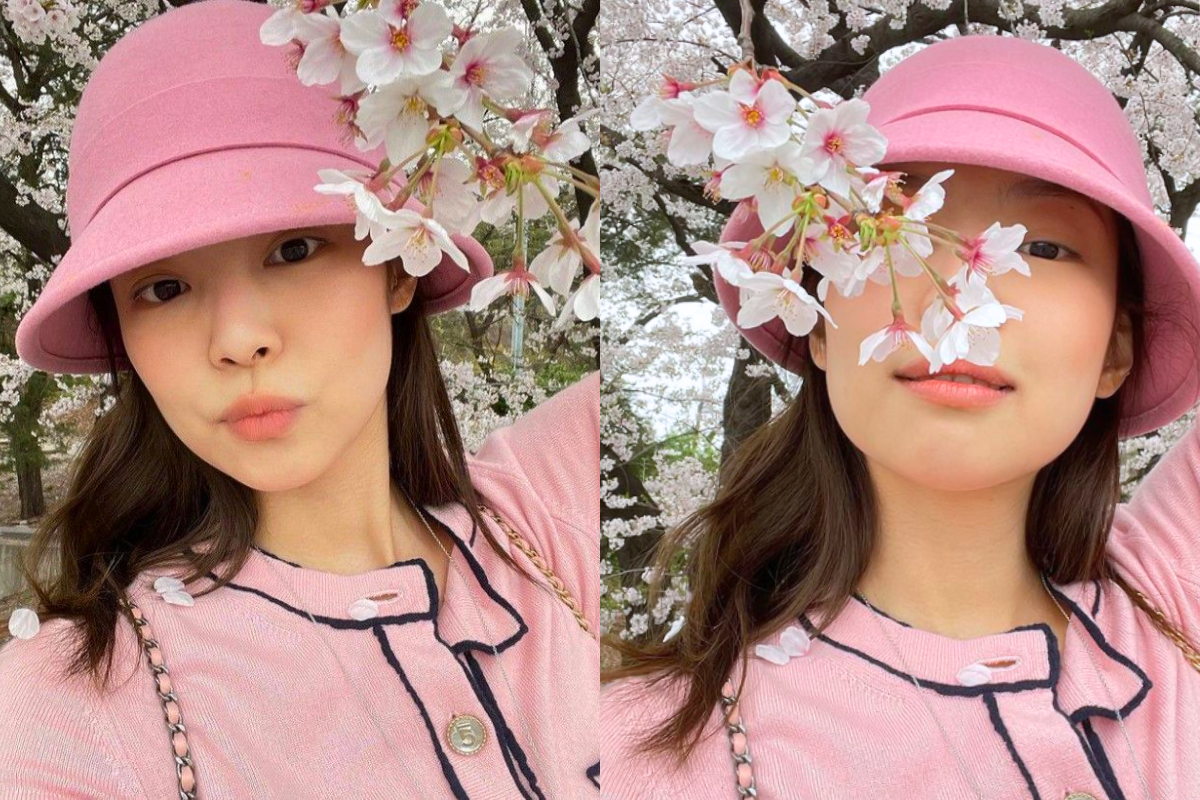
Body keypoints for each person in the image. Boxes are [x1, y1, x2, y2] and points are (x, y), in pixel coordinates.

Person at [0, 2, 599, 798]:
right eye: (165, 288)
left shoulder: (547, 516)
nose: (238, 339)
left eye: (293, 248)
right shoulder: (73, 701)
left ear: (397, 265)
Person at [600, 35, 1200, 799]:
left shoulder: (1173, 604)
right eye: (892, 229)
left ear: (1117, 349)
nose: (961, 296)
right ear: (816, 319)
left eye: (1044, 247)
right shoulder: (642, 751)